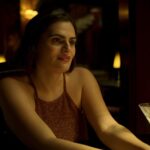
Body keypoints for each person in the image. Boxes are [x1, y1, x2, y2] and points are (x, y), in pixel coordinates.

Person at [0, 8, 149, 150]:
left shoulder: (82, 77)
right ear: (34, 45)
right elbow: (46, 143)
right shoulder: (10, 86)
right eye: (57, 40)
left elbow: (109, 127)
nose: (67, 48)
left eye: (72, 41)